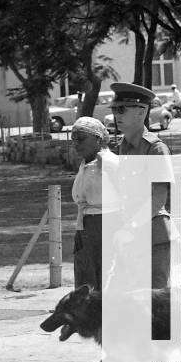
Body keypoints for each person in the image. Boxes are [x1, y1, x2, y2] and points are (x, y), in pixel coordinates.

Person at [111, 82, 174, 289]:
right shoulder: (123, 147)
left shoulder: (155, 149)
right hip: (131, 236)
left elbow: (158, 198)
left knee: (155, 303)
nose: (116, 115)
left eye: (122, 109)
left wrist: (131, 227)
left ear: (141, 112)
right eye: (114, 109)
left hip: (154, 236)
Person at [70, 117, 119, 290]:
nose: (76, 144)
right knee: (86, 280)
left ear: (98, 138)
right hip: (86, 226)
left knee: (105, 278)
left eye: (81, 139)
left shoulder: (111, 162)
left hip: (108, 226)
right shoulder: (85, 165)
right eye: (73, 140)